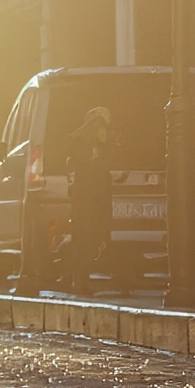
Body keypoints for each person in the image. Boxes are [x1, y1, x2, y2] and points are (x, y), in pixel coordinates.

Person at [64, 105, 116, 296]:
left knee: (92, 235)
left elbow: (109, 160)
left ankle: (79, 278)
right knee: (84, 236)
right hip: (87, 194)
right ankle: (79, 279)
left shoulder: (105, 141)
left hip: (96, 193)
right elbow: (74, 157)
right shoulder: (80, 140)